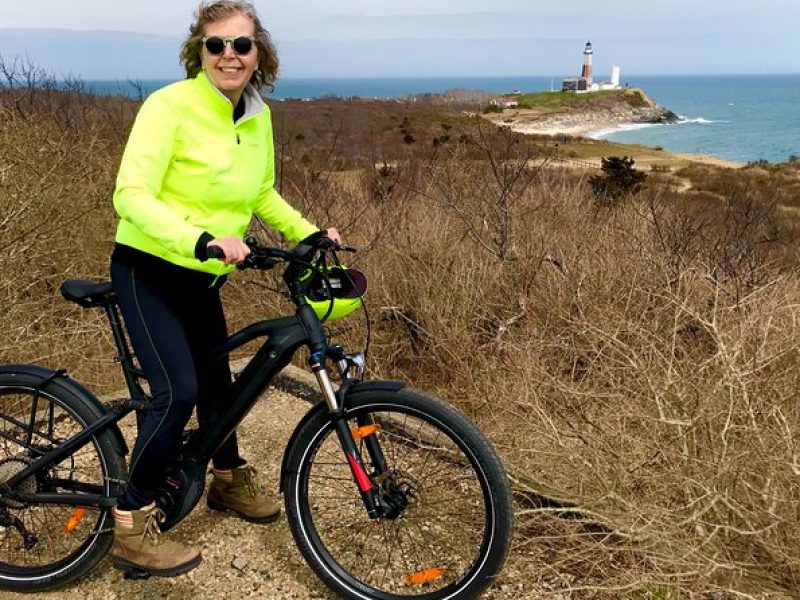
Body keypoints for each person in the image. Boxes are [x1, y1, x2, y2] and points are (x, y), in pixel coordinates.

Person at [108, 0, 340, 577]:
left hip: (203, 277)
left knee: (221, 386)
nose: (229, 55)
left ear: (259, 51)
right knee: (177, 394)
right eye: (216, 45)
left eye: (241, 44)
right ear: (199, 52)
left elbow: (262, 193)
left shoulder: (257, 114)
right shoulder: (168, 107)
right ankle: (131, 522)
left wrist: (309, 233)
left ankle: (227, 480)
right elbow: (131, 196)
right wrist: (203, 237)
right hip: (149, 268)